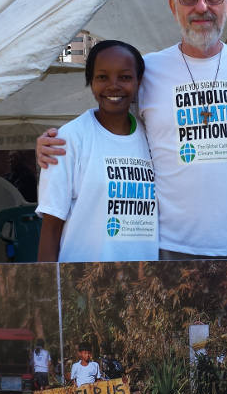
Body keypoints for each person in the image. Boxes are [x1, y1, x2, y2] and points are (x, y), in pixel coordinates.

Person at [37, 0, 227, 260]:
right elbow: (109, 113)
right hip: (170, 248)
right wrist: (53, 144)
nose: (202, 6)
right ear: (173, 6)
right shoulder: (150, 70)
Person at [36, 40, 157, 262]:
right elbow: (51, 227)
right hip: (84, 283)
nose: (114, 85)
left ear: (139, 82)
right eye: (102, 77)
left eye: (125, 77)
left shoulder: (153, 135)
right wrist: (48, 292)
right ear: (91, 82)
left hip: (144, 282)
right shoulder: (68, 139)